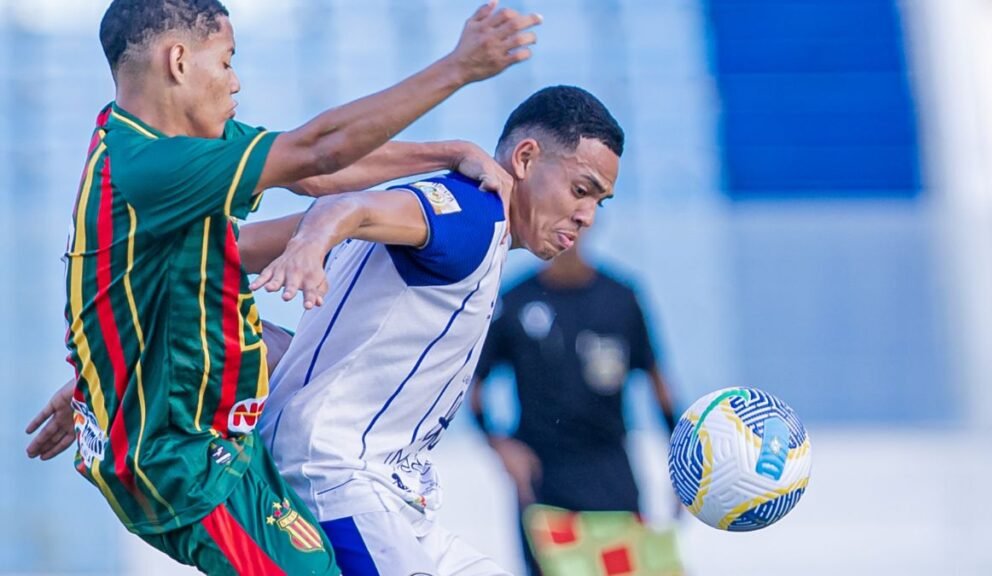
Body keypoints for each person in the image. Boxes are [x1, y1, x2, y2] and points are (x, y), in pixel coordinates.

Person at [31, 0, 541, 573]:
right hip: (183, 466)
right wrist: (459, 67)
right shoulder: (154, 168)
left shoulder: (145, 141)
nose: (235, 81)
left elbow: (314, 173)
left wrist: (446, 154)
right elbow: (318, 148)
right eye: (226, 61)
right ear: (178, 61)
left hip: (218, 440)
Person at [243, 85, 624, 575]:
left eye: (600, 202)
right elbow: (349, 207)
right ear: (526, 159)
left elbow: (240, 248)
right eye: (581, 190)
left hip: (394, 496)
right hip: (339, 481)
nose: (587, 216)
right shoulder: (475, 216)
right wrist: (311, 244)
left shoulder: (468, 226)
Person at [470, 234, 676, 575]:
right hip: (543, 477)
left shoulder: (621, 297)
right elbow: (473, 382)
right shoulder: (517, 300)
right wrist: (500, 445)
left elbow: (657, 380)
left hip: (610, 473)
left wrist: (679, 468)